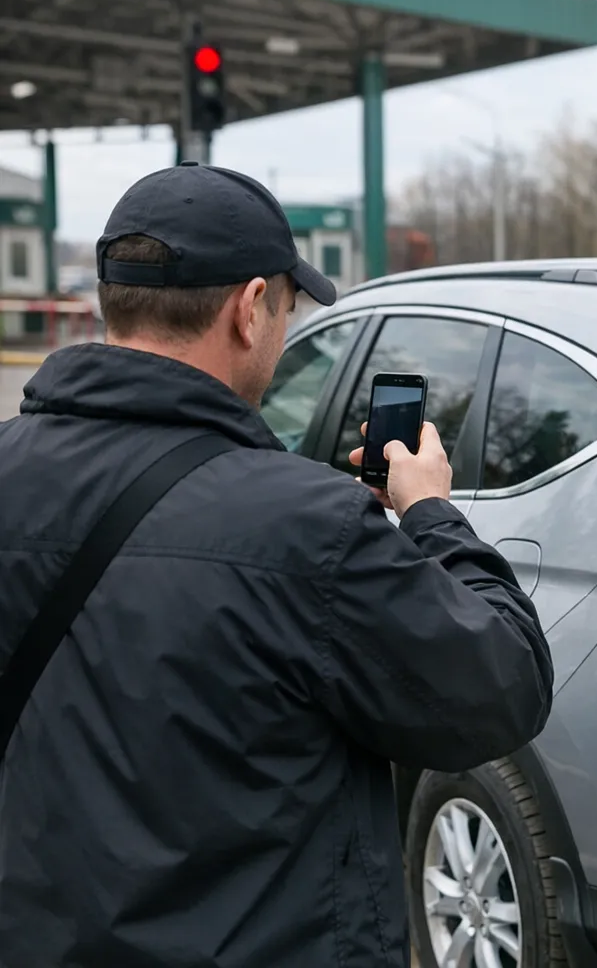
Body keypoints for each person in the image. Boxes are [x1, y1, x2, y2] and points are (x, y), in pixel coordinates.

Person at [0, 162, 553, 968]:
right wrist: (432, 514)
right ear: (250, 308)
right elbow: (501, 688)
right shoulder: (311, 526)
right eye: (290, 309)